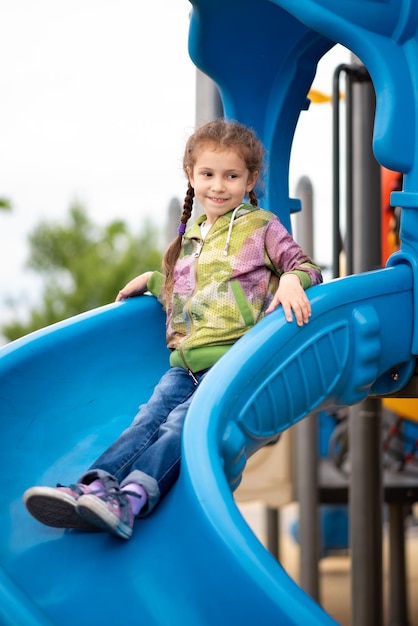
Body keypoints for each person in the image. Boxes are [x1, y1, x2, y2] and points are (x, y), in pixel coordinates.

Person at [23, 119, 323, 540]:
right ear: (191, 175)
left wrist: (294, 279)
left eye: (231, 176)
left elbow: (306, 267)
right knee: (146, 419)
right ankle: (95, 485)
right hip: (185, 363)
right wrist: (152, 280)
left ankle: (132, 499)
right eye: (208, 174)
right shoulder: (192, 235)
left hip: (234, 362)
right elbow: (192, 296)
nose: (218, 186)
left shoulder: (261, 226)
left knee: (180, 424)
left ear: (250, 178)